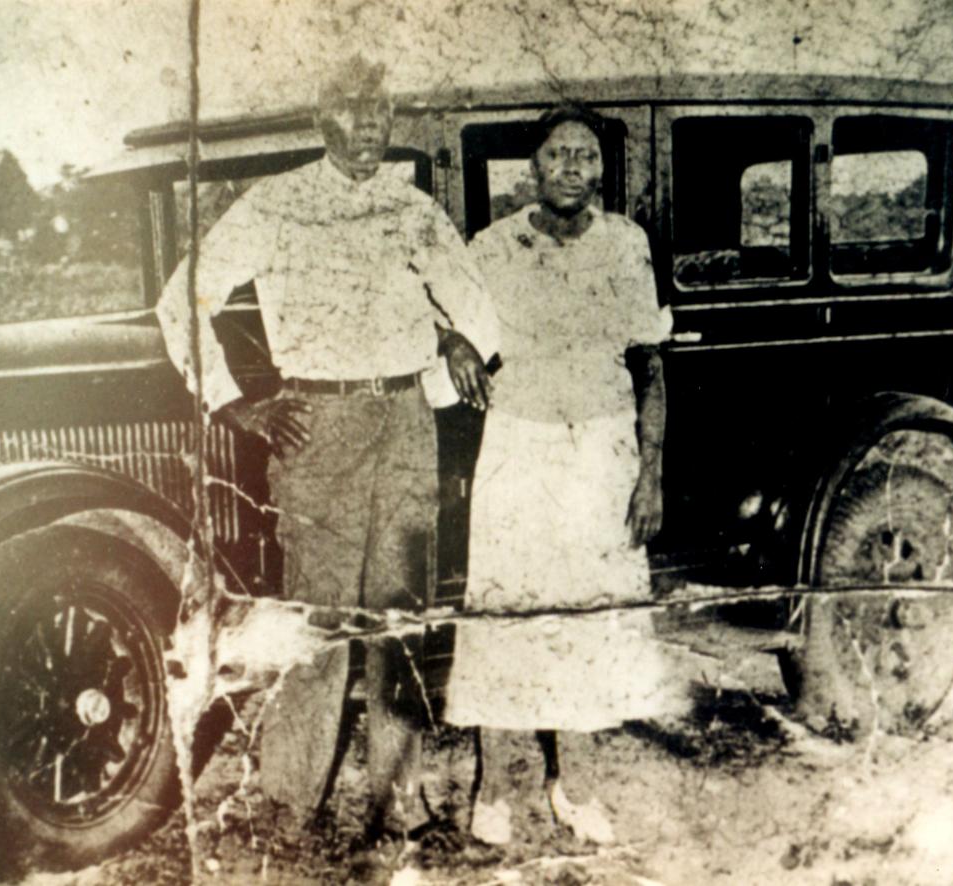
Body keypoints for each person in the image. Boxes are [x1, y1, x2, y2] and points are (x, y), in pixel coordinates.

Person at [156, 54, 499, 841]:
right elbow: (180, 302)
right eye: (352, 108)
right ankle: (289, 804)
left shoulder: (414, 209)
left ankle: (398, 804)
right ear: (322, 122)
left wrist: (451, 345)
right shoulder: (275, 205)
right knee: (317, 626)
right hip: (317, 430)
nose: (371, 123)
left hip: (408, 422)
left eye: (381, 108)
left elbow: (479, 308)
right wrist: (236, 406)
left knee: (401, 621)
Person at [442, 104, 684, 846]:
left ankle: (575, 786)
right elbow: (438, 306)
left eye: (585, 155)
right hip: (519, 449)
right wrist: (452, 339)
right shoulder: (492, 246)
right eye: (557, 154)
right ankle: (496, 786)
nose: (572, 168)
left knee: (592, 621)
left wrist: (651, 474)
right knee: (506, 617)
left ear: (601, 168)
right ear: (534, 167)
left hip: (603, 454)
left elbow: (650, 363)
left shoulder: (626, 244)